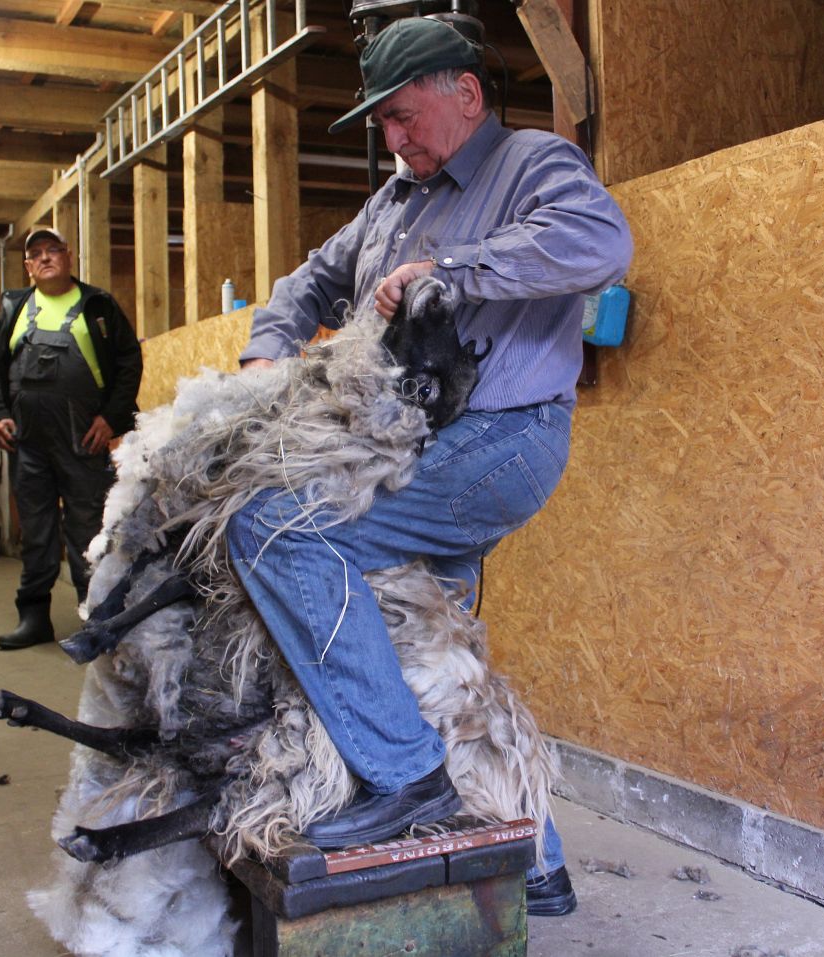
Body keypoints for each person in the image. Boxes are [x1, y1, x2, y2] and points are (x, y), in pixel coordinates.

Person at [226, 16, 632, 916]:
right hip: (411, 448)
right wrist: (268, 348)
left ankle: (408, 780)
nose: (394, 139)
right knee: (425, 651)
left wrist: (450, 268)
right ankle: (536, 862)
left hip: (501, 439)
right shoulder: (391, 201)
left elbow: (601, 243)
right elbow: (310, 283)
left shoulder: (531, 164)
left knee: (274, 525)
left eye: (405, 118)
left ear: (467, 95)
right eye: (383, 126)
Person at [0, 227, 142, 650]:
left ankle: (94, 617)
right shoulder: (14, 308)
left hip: (82, 441)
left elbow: (128, 361)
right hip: (28, 444)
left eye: (54, 249)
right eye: (37, 253)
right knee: (35, 530)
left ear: (69, 257)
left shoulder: (98, 305)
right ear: (28, 266)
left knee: (87, 531)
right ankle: (33, 618)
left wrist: (111, 418)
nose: (46, 257)